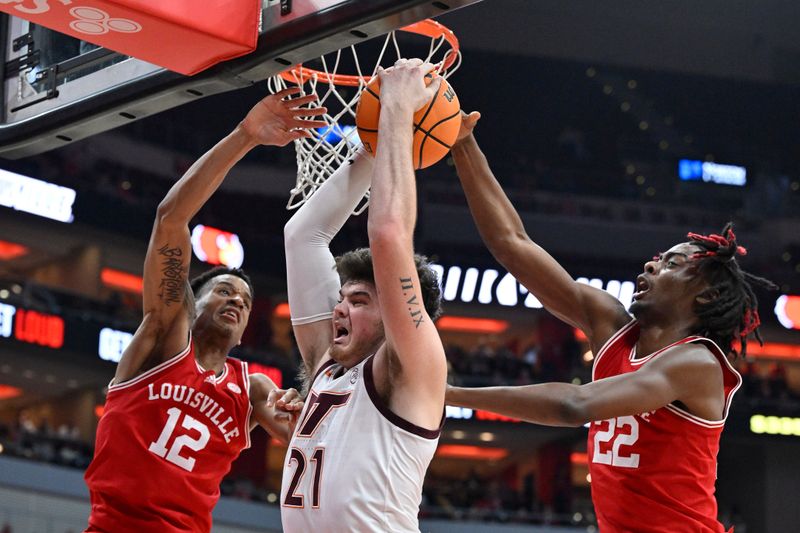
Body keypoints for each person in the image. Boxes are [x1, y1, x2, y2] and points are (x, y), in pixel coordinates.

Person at [445, 113, 777, 532]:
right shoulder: (610, 326)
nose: (651, 266)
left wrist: (448, 393)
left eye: (671, 264)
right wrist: (463, 146)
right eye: (655, 259)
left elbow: (574, 405)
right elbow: (513, 246)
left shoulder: (696, 364)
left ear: (707, 295)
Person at [84, 88, 325, 533]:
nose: (237, 300)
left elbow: (306, 444)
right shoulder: (164, 338)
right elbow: (171, 220)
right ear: (193, 304)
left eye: (246, 301)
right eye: (225, 291)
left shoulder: (251, 387)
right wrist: (245, 136)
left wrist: (301, 414)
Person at [280, 59, 447, 532]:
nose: (339, 308)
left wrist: (397, 109)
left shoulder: (411, 367)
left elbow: (390, 233)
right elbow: (303, 237)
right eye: (343, 297)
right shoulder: (326, 367)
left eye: (359, 300)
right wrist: (372, 148)